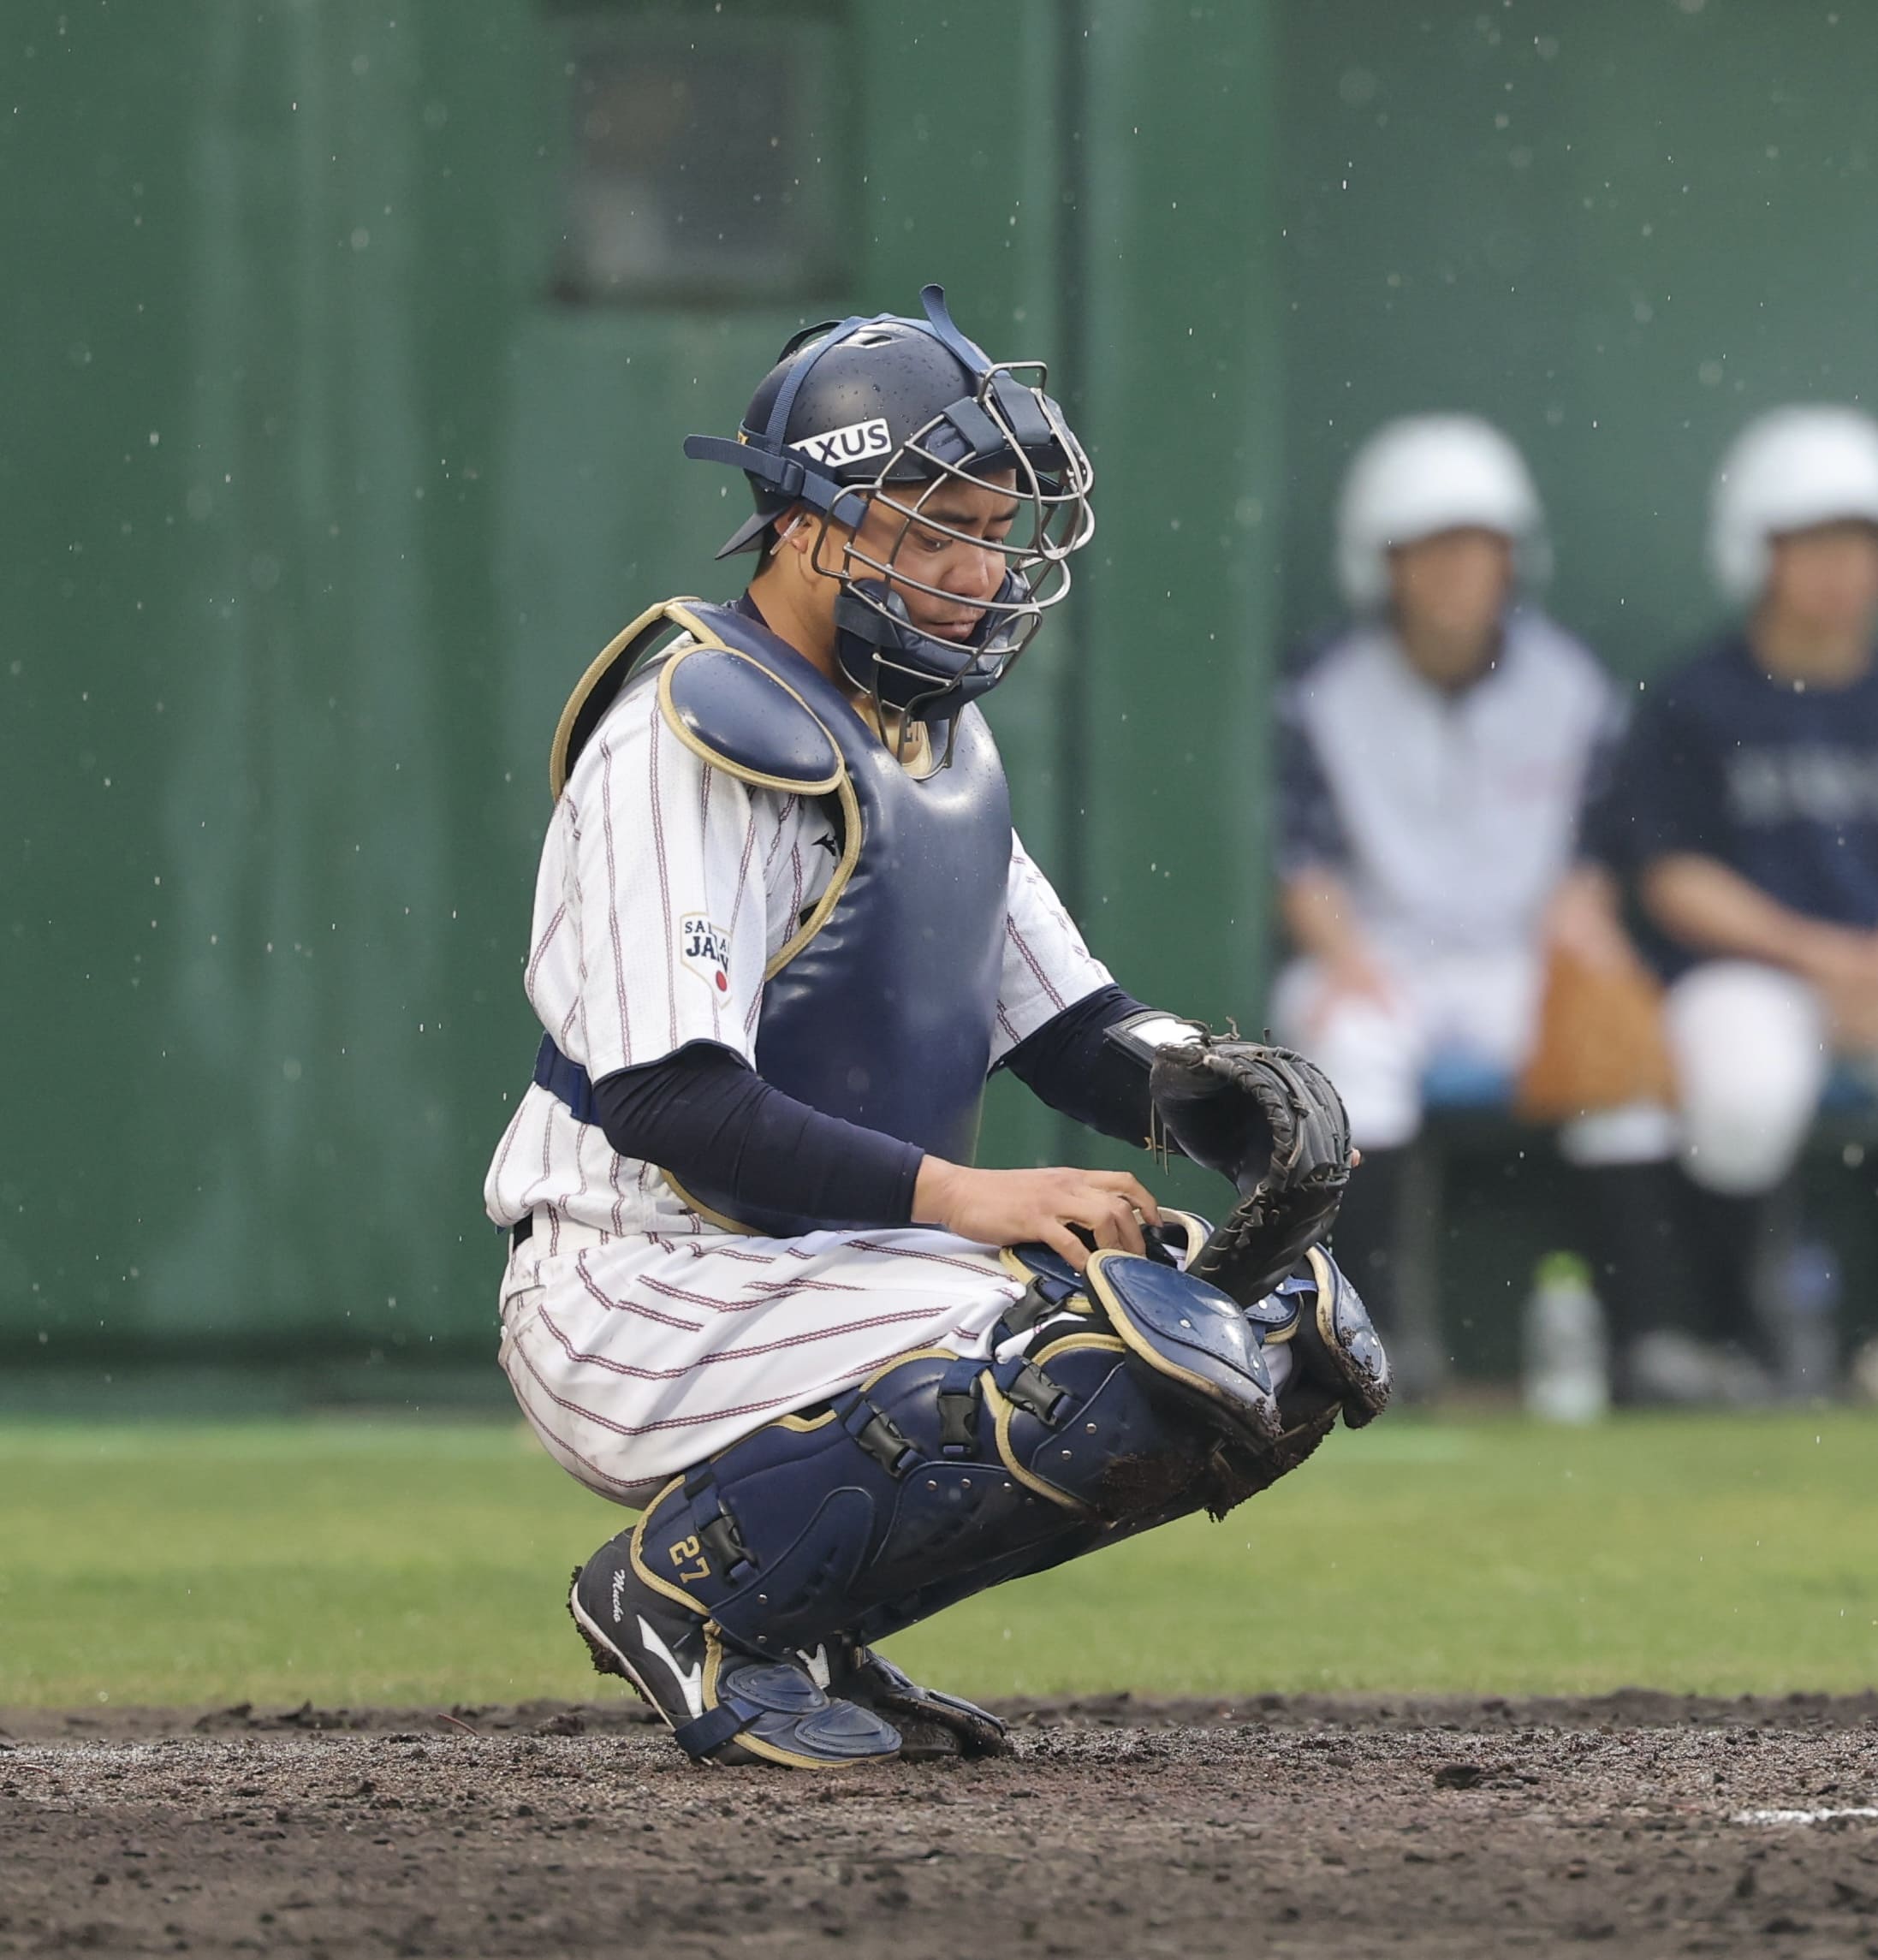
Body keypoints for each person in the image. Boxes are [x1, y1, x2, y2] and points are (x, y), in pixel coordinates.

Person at [482, 288, 1386, 1771]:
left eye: (991, 529)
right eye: (931, 527)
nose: (976, 569)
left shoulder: (922, 740)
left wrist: (1227, 1096)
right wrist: (975, 1201)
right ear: (804, 526)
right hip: (638, 1280)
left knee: (1270, 1349)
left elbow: (1074, 1029)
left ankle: (809, 1624)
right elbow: (670, 1104)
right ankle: (687, 1604)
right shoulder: (694, 728)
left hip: (815, 1271)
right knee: (1105, 1359)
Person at [1270, 416, 1629, 1380]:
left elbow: (1597, 850)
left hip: (1523, 961)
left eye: (1478, 549)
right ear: (1381, 562)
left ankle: (1645, 1344)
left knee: (1628, 1076)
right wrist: (1344, 957)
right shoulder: (1321, 687)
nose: (1458, 573)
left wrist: (1583, 934)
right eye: (1431, 551)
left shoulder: (1571, 682)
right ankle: (1376, 1341)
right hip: (1378, 952)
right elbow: (1298, 857)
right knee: (1346, 1056)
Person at [1582, 405, 1878, 1391]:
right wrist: (1824, 957)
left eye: (1859, 543)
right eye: (1814, 544)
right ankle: (1746, 1337)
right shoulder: (1697, 698)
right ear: (1758, 550)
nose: (1841, 569)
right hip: (1753, 971)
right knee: (1740, 1093)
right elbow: (1669, 875)